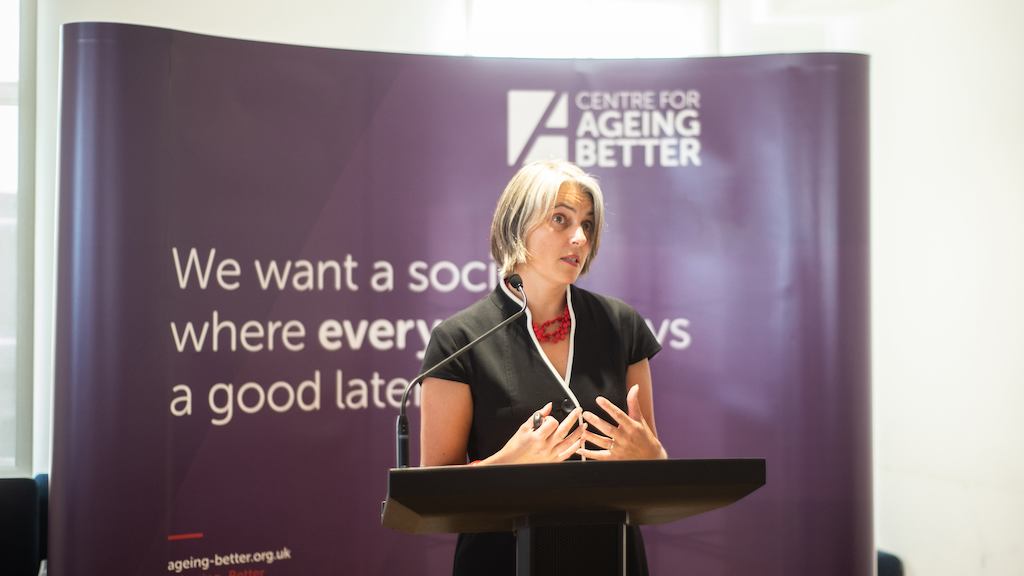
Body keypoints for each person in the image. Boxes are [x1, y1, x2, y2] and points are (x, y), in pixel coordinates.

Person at [420, 159, 667, 576]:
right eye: (560, 219)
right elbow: (434, 495)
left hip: (611, 556)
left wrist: (654, 458)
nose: (579, 237)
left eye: (587, 225)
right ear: (518, 225)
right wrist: (504, 466)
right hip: (501, 559)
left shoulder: (621, 325)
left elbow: (652, 471)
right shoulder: (459, 339)